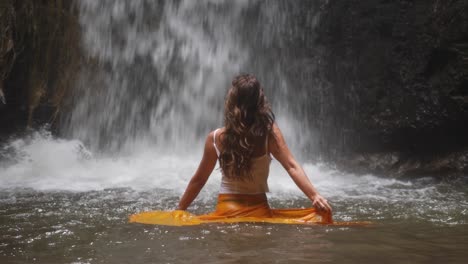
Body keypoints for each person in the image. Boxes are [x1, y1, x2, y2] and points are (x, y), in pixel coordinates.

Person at [176, 74, 332, 224]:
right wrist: (314, 196)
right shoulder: (269, 134)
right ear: (260, 102)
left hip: (226, 211)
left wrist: (179, 211)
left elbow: (199, 180)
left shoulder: (215, 138)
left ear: (231, 101)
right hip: (259, 211)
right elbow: (291, 166)